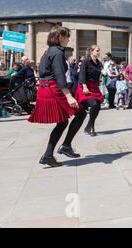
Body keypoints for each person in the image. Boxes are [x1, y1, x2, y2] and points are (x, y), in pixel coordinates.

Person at [29, 26, 87, 167]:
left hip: (45, 89)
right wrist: (69, 96)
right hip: (53, 89)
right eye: (67, 36)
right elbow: (60, 75)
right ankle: (64, 146)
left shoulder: (48, 51)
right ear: (60, 37)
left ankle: (49, 155)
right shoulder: (57, 52)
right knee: (80, 113)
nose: (68, 39)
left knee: (62, 121)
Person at [76, 45, 104, 137]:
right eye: (97, 50)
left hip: (95, 87)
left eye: (99, 50)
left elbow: (98, 75)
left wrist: (99, 82)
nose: (98, 52)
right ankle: (91, 127)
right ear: (91, 52)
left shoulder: (99, 63)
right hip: (86, 86)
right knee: (94, 104)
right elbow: (82, 74)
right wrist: (84, 86)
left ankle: (88, 126)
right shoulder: (86, 61)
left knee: (98, 107)